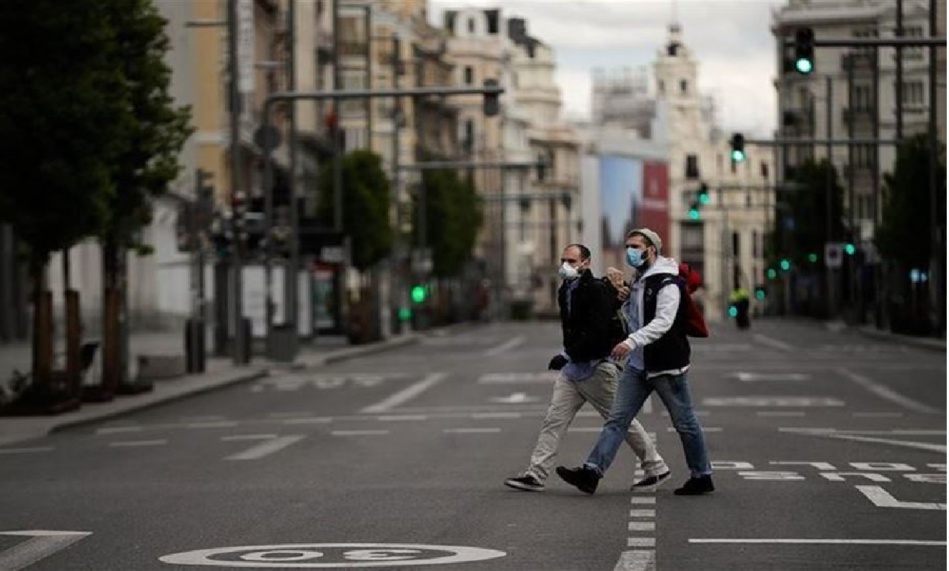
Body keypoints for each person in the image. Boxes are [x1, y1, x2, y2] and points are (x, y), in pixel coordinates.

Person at [556, 229, 714, 496]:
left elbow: (663, 322)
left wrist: (631, 341)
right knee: (617, 419)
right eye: (628, 245)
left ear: (651, 249)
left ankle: (702, 475)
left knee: (685, 422)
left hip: (666, 364)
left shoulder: (667, 282)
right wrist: (622, 299)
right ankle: (591, 472)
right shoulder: (640, 279)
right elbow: (635, 317)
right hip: (638, 365)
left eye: (636, 246)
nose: (630, 251)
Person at [504, 243, 669, 493]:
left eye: (572, 261)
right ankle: (536, 474)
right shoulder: (565, 289)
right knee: (553, 421)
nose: (566, 265)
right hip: (573, 371)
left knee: (620, 421)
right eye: (564, 260)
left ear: (586, 263)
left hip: (596, 369)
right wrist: (569, 356)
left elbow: (597, 331)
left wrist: (567, 354)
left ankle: (656, 467)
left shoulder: (595, 289)